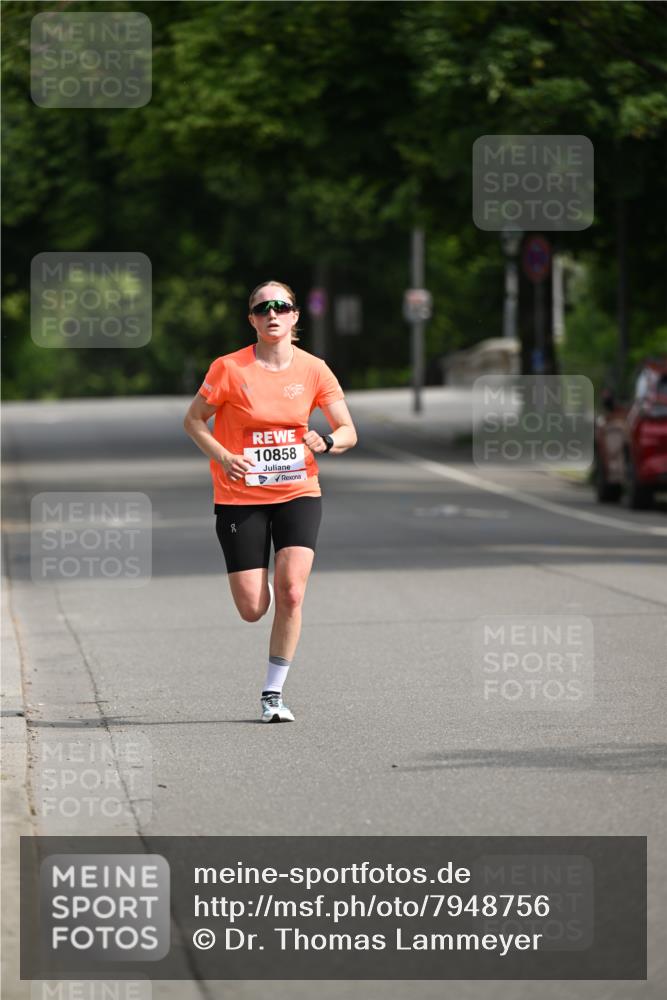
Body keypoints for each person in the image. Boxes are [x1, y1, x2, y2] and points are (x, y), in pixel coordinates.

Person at [184, 280, 357, 722]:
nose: (273, 314)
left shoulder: (315, 368)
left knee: (292, 592)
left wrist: (328, 439)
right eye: (263, 309)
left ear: (296, 316)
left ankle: (272, 695)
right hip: (240, 497)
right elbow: (194, 420)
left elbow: (348, 430)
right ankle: (268, 667)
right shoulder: (229, 368)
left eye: (281, 307)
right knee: (252, 608)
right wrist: (223, 456)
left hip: (298, 490)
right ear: (253, 320)